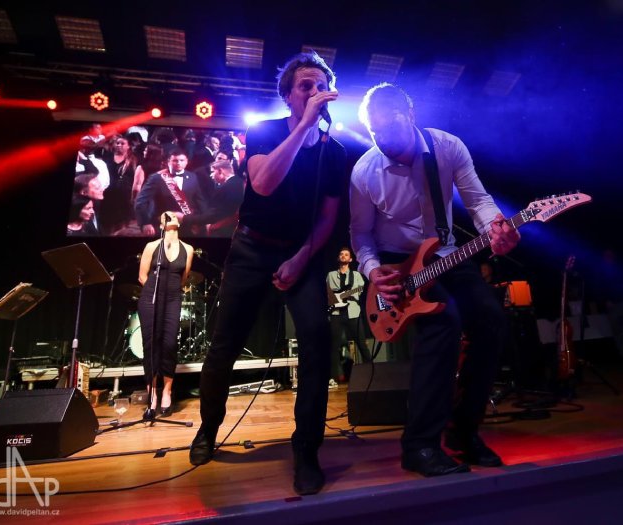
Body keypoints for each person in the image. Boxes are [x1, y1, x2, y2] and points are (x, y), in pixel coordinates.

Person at [189, 51, 345, 497]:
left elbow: (328, 217)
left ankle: (307, 449)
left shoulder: (334, 152)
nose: (314, 92)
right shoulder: (263, 132)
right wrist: (303, 128)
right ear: (288, 95)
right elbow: (263, 184)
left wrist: (301, 258)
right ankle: (208, 429)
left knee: (316, 340)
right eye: (305, 86)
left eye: (321, 86)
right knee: (225, 344)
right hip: (251, 248)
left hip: (301, 254)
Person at [350, 83, 520, 477]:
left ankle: (463, 431)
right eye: (375, 132)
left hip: (444, 254)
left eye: (390, 128)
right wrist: (373, 271)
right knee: (443, 323)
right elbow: (360, 234)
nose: (383, 139)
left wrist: (496, 228)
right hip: (396, 265)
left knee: (492, 320)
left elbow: (478, 201)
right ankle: (419, 446)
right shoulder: (364, 171)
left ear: (410, 115)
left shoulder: (447, 147)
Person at [137, 212, 194, 416]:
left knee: (169, 344)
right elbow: (142, 276)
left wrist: (169, 293)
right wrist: (155, 293)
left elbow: (183, 278)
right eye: (166, 215)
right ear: (161, 224)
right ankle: (152, 393)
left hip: (172, 299)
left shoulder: (188, 249)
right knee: (151, 344)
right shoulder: (152, 246)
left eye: (174, 215)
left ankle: (167, 392)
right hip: (150, 299)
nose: (171, 216)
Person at [134, 148, 210, 237]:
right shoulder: (156, 178)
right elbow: (140, 202)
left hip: (187, 223)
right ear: (168, 162)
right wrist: (145, 223)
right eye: (175, 160)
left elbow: (200, 200)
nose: (178, 163)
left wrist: (206, 220)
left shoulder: (192, 177)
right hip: (163, 224)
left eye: (182, 160)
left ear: (186, 162)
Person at [326, 247, 370, 382]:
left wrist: (348, 294)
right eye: (341, 254)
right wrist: (335, 299)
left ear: (350, 259)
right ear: (338, 258)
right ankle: (336, 376)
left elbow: (360, 289)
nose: (343, 256)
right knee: (334, 346)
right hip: (336, 313)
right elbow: (328, 292)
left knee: (361, 343)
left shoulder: (356, 275)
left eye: (346, 254)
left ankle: (370, 372)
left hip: (353, 312)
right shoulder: (331, 275)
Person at [203, 158, 244, 237]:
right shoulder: (239, 182)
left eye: (212, 172)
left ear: (220, 171)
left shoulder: (227, 187)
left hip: (223, 231)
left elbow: (227, 213)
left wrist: (211, 225)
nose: (211, 175)